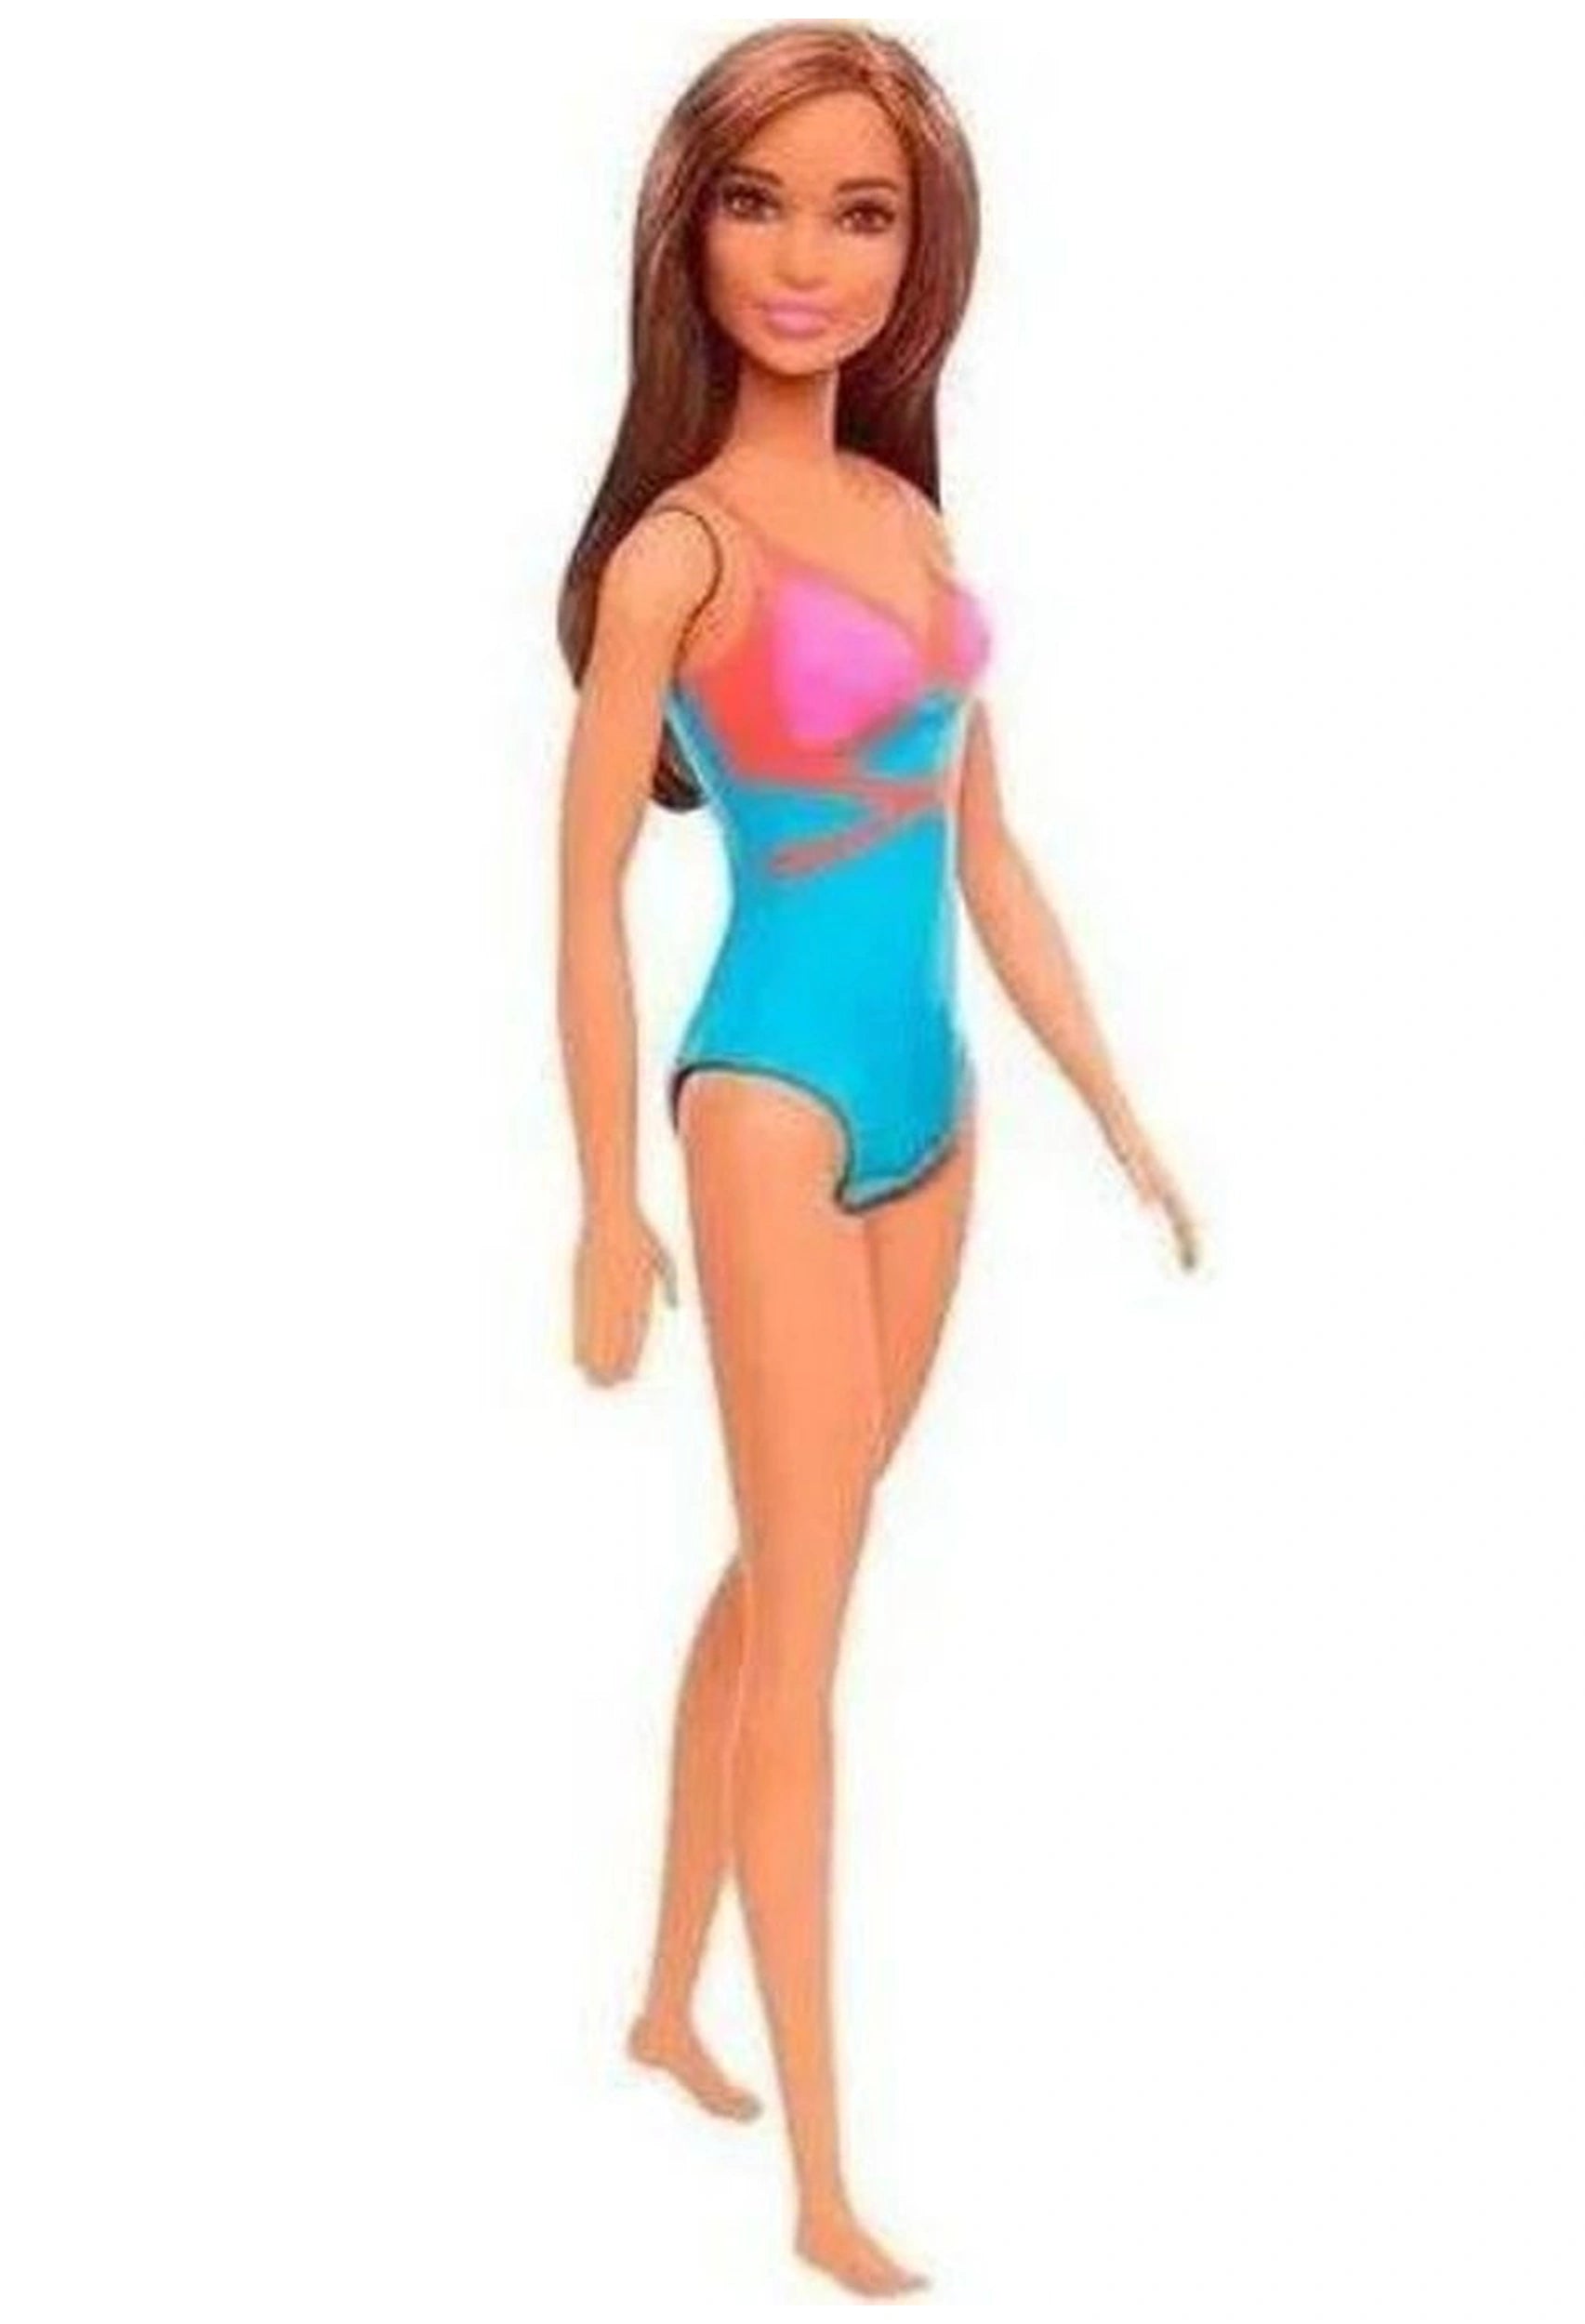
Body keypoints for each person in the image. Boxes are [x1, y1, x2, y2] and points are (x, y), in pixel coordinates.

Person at [553, 22, 1198, 2297]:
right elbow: (579, 896)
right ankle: (821, 2176)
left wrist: (1109, 1096)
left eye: (860, 212)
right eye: (756, 203)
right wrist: (604, 1199)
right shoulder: (680, 551)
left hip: (936, 1109)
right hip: (771, 1097)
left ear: (924, 255)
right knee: (814, 1617)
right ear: (685, 235)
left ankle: (661, 1997)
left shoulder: (911, 524)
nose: (805, 258)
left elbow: (983, 851)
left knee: (784, 1562)